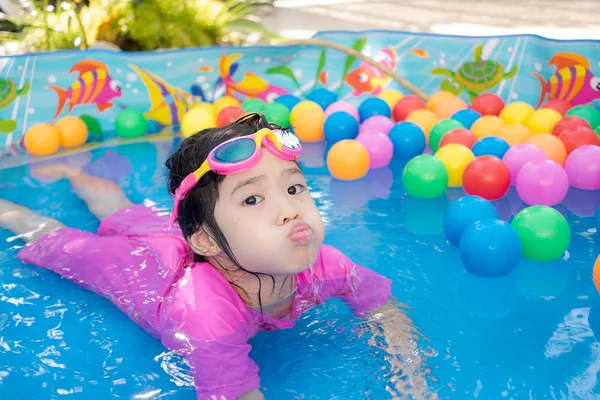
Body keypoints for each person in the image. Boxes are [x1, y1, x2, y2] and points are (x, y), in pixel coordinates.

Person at [0, 113, 435, 399]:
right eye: (252, 200)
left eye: (294, 187)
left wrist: (410, 377)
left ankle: (79, 176)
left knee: (126, 212)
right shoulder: (205, 316)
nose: (290, 210)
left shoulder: (326, 263)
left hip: (186, 239)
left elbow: (383, 308)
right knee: (60, 242)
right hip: (146, 271)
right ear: (205, 239)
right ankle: (15, 207)